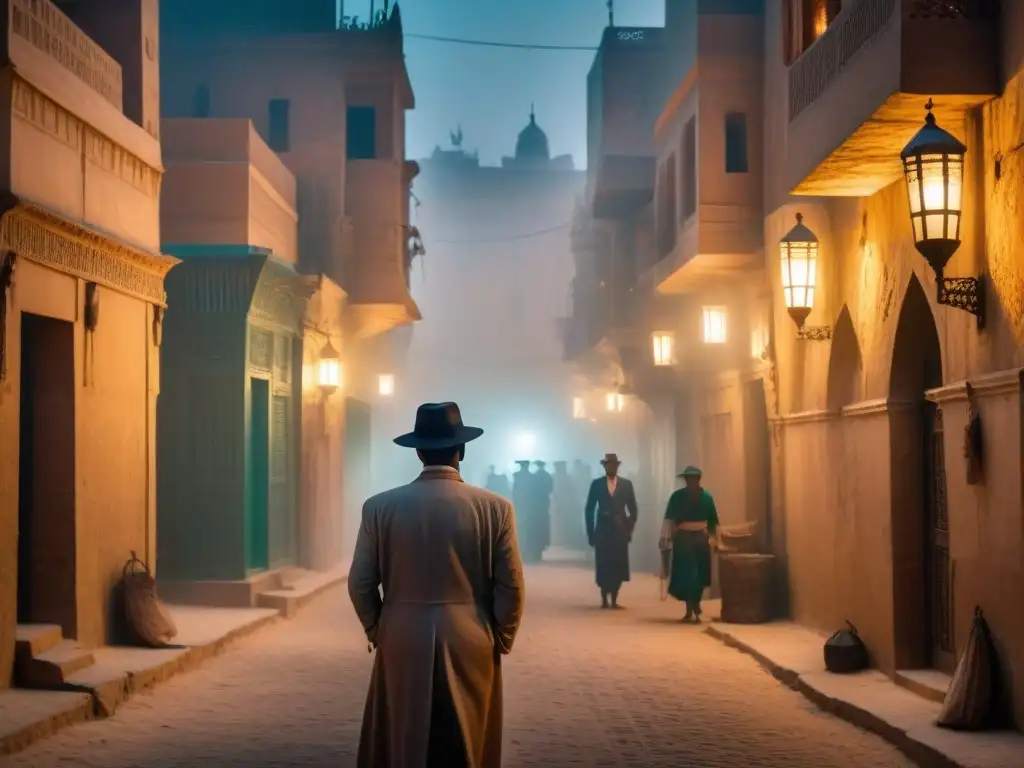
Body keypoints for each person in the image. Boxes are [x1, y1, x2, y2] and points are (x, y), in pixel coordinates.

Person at [348, 402, 526, 768]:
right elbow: (511, 587)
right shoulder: (495, 508)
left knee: (401, 737)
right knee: (468, 739)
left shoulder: (380, 507)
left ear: (418, 451)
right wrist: (501, 635)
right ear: (461, 449)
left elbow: (361, 583)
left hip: (402, 631)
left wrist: (377, 627)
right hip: (471, 632)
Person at [660, 465, 720, 623]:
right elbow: (669, 519)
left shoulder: (707, 498)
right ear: (686, 480)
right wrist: (665, 537)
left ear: (698, 480)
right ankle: (689, 608)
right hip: (683, 540)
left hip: (701, 539)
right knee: (687, 575)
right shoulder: (677, 497)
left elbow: (713, 521)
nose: (692, 481)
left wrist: (715, 540)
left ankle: (696, 604)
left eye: (694, 479)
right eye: (689, 479)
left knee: (699, 575)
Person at [583, 453, 638, 609]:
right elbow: (589, 509)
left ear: (618, 467)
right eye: (608, 465)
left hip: (620, 530)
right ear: (604, 466)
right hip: (603, 529)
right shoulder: (597, 484)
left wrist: (629, 528)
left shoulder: (626, 485)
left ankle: (614, 598)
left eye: (614, 465)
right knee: (603, 564)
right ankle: (604, 598)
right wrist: (591, 532)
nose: (611, 467)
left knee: (618, 564)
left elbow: (634, 509)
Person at [528, 460, 554, 562]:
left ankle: (535, 551)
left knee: (535, 527)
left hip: (535, 505)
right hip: (544, 503)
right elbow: (550, 489)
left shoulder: (533, 477)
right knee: (543, 526)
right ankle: (540, 550)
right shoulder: (547, 476)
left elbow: (530, 490)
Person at [511, 460, 535, 559]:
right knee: (525, 528)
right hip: (527, 504)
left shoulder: (518, 476)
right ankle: (525, 550)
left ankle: (523, 550)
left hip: (522, 504)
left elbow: (514, 490)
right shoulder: (531, 477)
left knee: (522, 528)